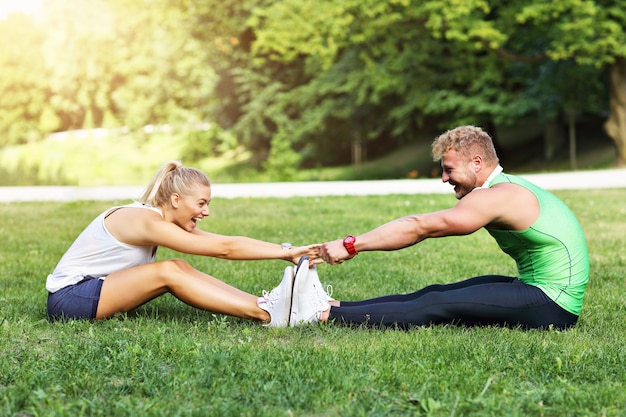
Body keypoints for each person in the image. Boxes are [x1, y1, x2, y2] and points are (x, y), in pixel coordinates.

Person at [289, 125, 589, 330]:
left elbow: (422, 227)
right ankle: (333, 304)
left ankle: (322, 314)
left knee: (438, 303)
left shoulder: (499, 195)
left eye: (449, 170)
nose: (444, 179)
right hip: (535, 287)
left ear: (476, 162)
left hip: (552, 304)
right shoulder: (505, 186)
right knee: (436, 291)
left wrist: (352, 244)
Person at [46, 160, 320, 327]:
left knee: (176, 266)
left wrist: (286, 252)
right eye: (201, 203)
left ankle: (267, 304)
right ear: (176, 200)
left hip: (91, 292)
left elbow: (224, 241)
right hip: (70, 299)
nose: (206, 212)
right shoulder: (147, 222)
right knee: (168, 271)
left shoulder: (159, 221)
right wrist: (285, 253)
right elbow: (224, 250)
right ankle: (266, 314)